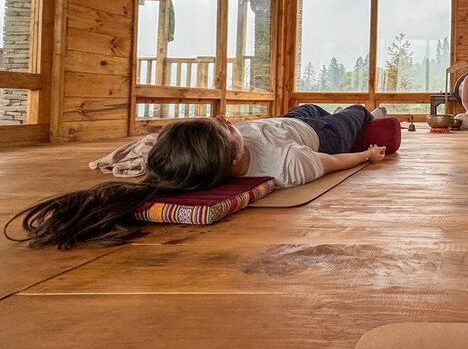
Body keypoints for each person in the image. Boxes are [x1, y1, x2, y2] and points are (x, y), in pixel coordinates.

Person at [10, 104, 389, 249]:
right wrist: (366, 155)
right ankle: (372, 112)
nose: (226, 119)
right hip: (317, 136)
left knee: (305, 106)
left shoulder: (184, 155)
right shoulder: (286, 165)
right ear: (233, 154)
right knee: (351, 115)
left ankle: (333, 110)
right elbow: (333, 163)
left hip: (288, 120)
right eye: (224, 128)